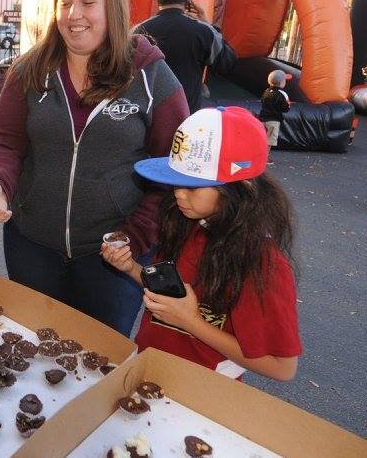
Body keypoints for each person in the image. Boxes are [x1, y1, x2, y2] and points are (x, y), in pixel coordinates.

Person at [0, 0, 190, 336]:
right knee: (31, 353)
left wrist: (134, 236)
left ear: (113, 5)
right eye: (65, 1)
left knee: (98, 364)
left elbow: (174, 171)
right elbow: (4, 143)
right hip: (32, 246)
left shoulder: (151, 76)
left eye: (88, 2)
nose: (73, 14)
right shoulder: (30, 70)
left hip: (113, 259)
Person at [101, 106, 301, 381]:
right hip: (149, 366)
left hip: (202, 392)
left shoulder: (261, 262)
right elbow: (171, 296)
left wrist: (190, 322)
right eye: (175, 182)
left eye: (192, 187)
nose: (179, 195)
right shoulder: (187, 223)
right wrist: (130, 268)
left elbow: (282, 367)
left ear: (239, 189)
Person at [132, 0, 237, 111]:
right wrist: (207, 23)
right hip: (186, 118)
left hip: (147, 117)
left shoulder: (138, 31)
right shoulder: (203, 31)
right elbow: (227, 62)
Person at [258, 70, 292, 147]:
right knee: (269, 141)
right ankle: (265, 157)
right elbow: (286, 108)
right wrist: (288, 105)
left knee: (262, 139)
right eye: (285, 81)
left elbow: (262, 101)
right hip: (273, 120)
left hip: (262, 118)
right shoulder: (282, 93)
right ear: (281, 83)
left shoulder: (266, 91)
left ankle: (259, 155)